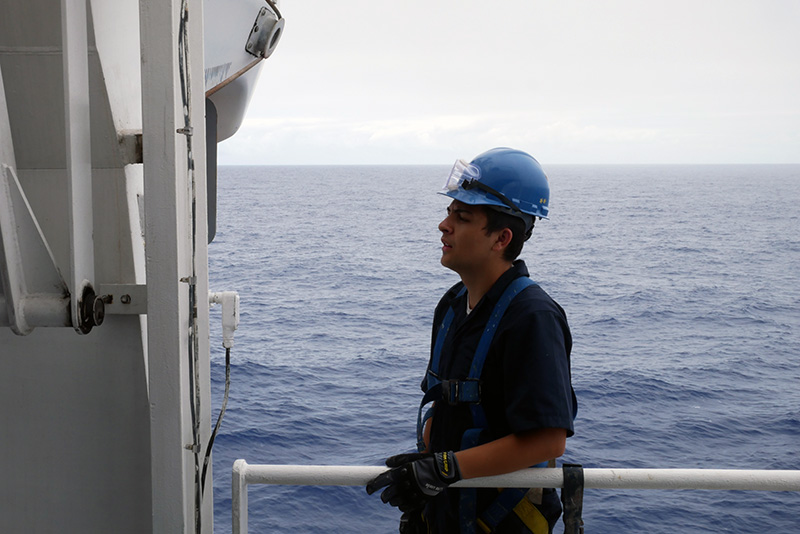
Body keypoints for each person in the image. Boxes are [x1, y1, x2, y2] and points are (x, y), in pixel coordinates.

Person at [367, 148, 577, 534]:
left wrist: (444, 468)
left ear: (502, 237)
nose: (443, 226)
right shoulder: (452, 306)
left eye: (461, 217)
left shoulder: (532, 317)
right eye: (449, 213)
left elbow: (548, 440)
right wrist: (425, 465)